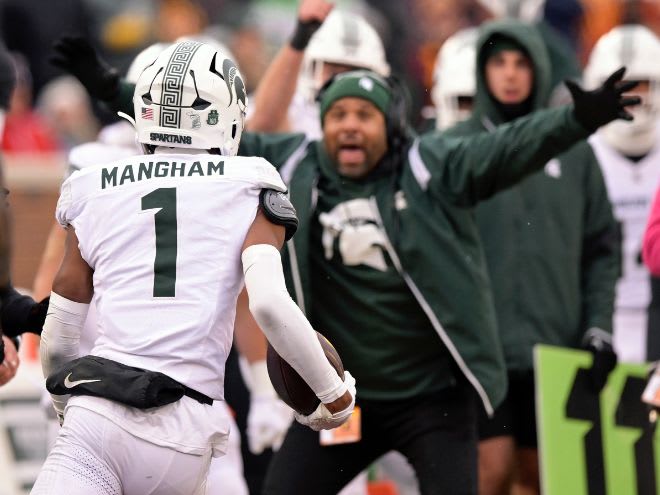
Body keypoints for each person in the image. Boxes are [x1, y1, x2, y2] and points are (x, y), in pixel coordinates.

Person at [31, 40, 355, 495]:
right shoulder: (251, 183)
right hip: (183, 427)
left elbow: (61, 327)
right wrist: (333, 394)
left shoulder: (92, 184)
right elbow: (269, 305)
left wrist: (63, 397)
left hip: (96, 416)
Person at [442, 20, 619, 495]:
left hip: (555, 351)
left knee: (545, 481)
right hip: (481, 357)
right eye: (499, 61)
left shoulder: (576, 151)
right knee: (491, 474)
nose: (511, 74)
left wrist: (598, 326)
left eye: (521, 62)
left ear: (539, 69)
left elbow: (603, 247)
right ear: (482, 71)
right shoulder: (452, 149)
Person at [584, 24, 660, 363]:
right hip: (603, 325)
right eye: (620, 86)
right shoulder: (583, 156)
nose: (632, 97)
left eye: (641, 84)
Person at [246, 0, 390, 139]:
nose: (344, 82)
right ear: (310, 69)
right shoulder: (295, 109)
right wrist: (299, 40)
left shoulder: (389, 120)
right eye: (333, 72)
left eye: (355, 72)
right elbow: (261, 127)